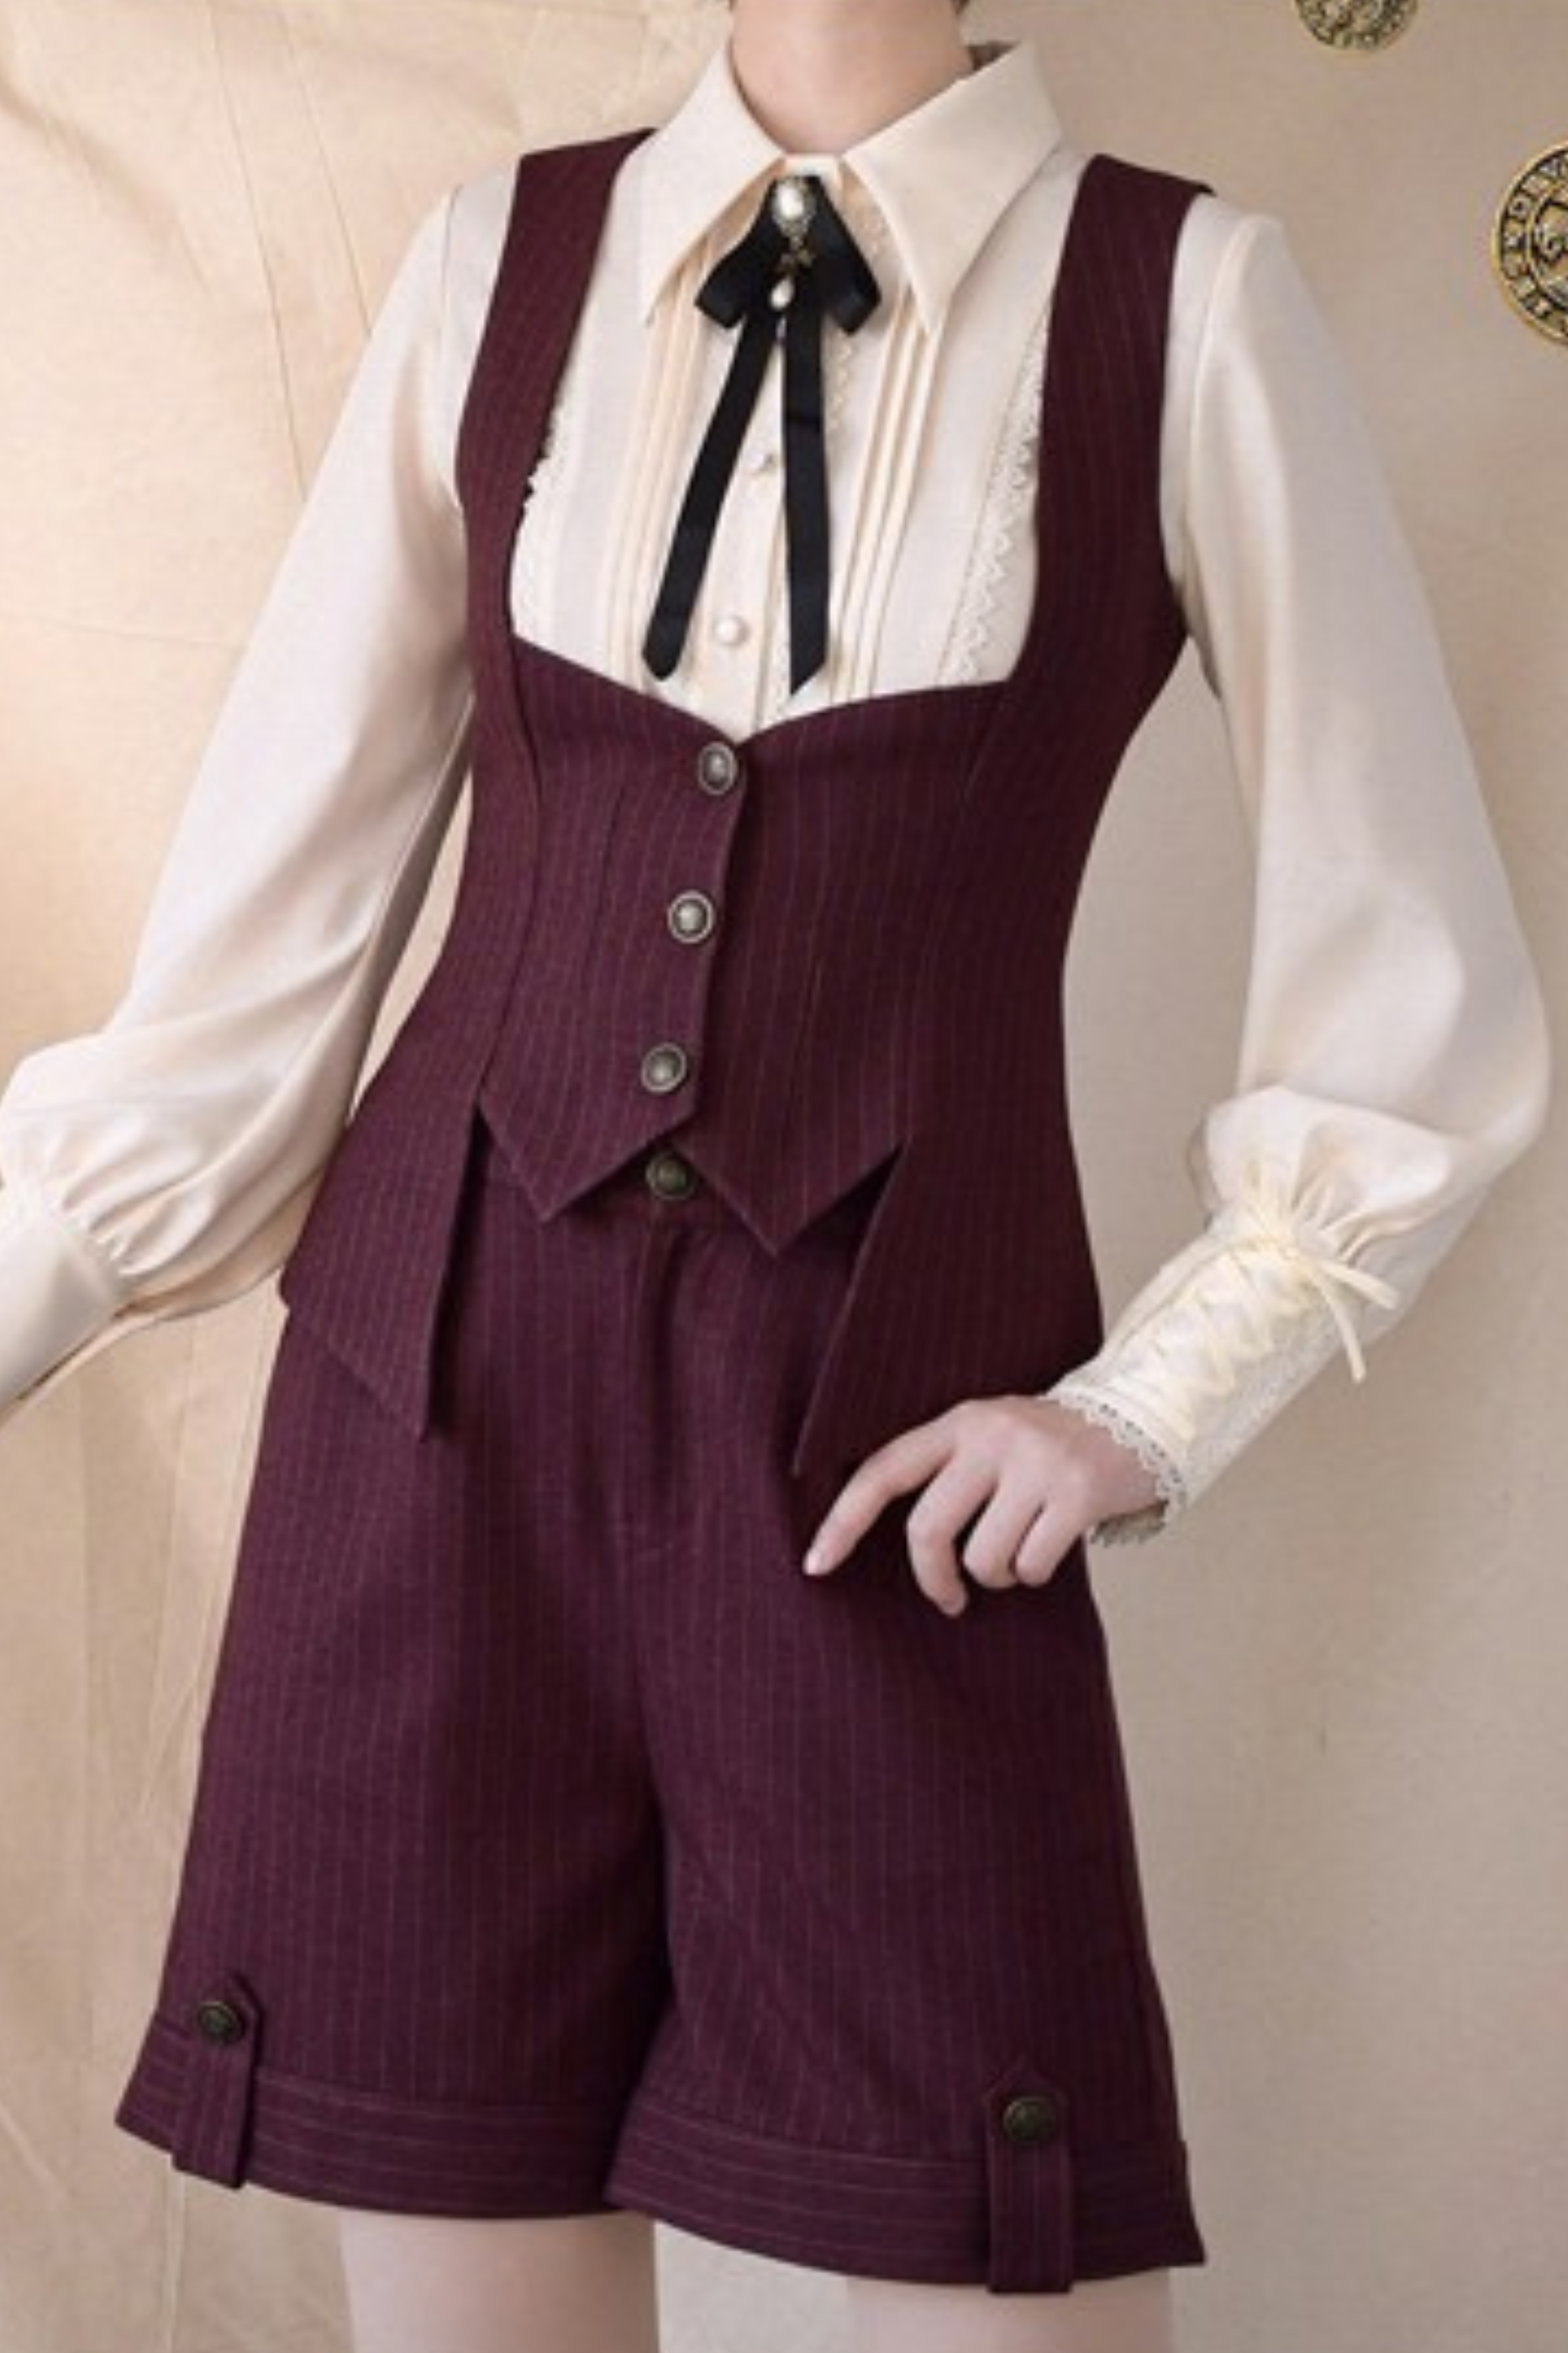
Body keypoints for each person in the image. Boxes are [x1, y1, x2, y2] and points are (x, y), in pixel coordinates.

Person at [0, 1, 1548, 2349]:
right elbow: (263, 942)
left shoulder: (1182, 295)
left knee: (1002, 2259)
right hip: (429, 1449)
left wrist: (1148, 1407)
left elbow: (1402, 940)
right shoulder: (500, 263)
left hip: (886, 1476)